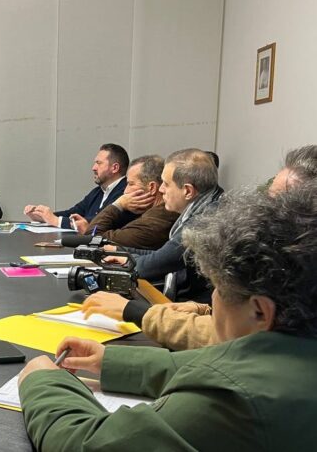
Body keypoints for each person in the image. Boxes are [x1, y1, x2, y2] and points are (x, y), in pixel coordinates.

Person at [18, 184, 317, 451]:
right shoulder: (293, 353)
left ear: (260, 312)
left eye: (219, 288)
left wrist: (43, 382)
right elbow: (203, 361)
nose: (212, 300)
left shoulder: (236, 397)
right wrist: (109, 361)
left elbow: (88, 443)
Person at [81, 144, 317, 350]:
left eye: (273, 201)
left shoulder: (210, 220)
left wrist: (134, 312)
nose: (262, 207)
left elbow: (236, 338)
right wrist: (203, 309)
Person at [105, 149, 222, 303]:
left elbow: (156, 264)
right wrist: (120, 251)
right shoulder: (210, 205)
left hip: (199, 307)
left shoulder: (205, 221)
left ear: (187, 191)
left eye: (166, 184)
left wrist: (125, 257)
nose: (161, 189)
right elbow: (163, 255)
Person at [70, 155, 179, 250]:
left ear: (152, 187)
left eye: (131, 184)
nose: (125, 191)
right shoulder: (149, 213)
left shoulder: (152, 224)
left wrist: (117, 205)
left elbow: (92, 238)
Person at [24, 143, 132, 228]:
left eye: (99, 163)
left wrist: (56, 220)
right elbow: (73, 213)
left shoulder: (126, 192)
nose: (93, 168)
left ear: (115, 168)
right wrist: (42, 216)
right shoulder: (98, 192)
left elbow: (99, 221)